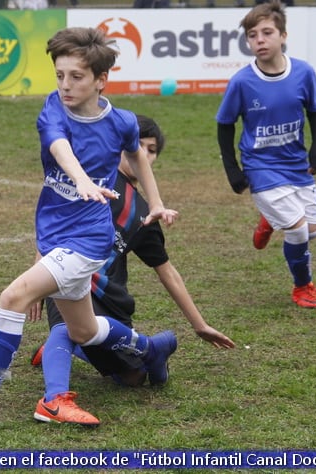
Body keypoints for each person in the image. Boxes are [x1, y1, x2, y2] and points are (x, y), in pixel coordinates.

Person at [0, 27, 178, 442]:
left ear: (101, 80)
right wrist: (82, 179)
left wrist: (155, 202)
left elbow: (137, 152)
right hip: (54, 235)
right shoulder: (53, 108)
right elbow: (57, 145)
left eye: (77, 77)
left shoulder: (120, 121)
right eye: (60, 75)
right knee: (83, 331)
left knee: (12, 298)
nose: (65, 85)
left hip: (87, 242)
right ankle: (150, 350)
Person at [30, 115, 236, 426]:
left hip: (110, 297)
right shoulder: (91, 178)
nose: (144, 153)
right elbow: (54, 227)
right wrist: (36, 279)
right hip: (69, 277)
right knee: (67, 327)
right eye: (139, 145)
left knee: (132, 377)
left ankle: (147, 347)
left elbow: (167, 271)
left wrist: (200, 324)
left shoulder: (143, 213)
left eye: (152, 150)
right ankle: (54, 399)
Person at [215, 0, 316, 309]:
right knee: (298, 229)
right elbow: (225, 126)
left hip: (295, 165)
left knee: (314, 230)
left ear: (283, 36)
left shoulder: (303, 72)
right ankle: (303, 287)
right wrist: (233, 170)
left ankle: (270, 220)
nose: (259, 40)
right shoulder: (242, 81)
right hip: (260, 167)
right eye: (252, 35)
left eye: (266, 32)